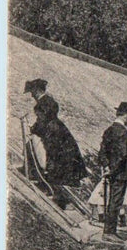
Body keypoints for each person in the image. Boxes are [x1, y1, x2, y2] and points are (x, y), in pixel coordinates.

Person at [23, 78, 87, 208]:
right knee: (59, 161)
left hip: (52, 135)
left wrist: (33, 128)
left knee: (53, 160)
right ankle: (52, 187)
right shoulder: (50, 101)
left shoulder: (42, 104)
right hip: (59, 132)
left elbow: (43, 121)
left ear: (37, 90)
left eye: (32, 92)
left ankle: (55, 193)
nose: (32, 95)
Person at [98, 102, 127, 240]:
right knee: (116, 201)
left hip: (112, 170)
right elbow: (122, 155)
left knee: (112, 200)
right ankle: (109, 232)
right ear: (126, 115)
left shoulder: (109, 130)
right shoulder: (122, 132)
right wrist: (113, 170)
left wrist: (106, 167)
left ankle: (109, 231)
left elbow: (102, 151)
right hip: (120, 173)